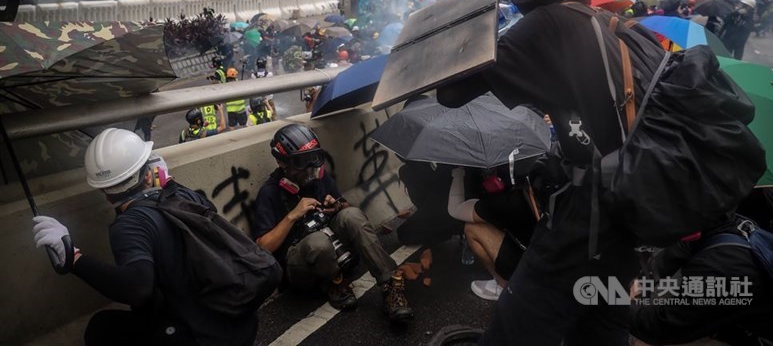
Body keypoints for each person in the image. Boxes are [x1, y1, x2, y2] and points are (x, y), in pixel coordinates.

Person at [436, 0, 666, 344]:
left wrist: (466, 18)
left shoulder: (545, 28)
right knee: (600, 328)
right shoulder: (599, 22)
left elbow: (450, 92)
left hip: (583, 219)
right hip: (622, 217)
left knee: (517, 330)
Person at [31, 128, 259, 345]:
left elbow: (138, 289)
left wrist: (74, 259)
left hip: (201, 339)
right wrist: (169, 183)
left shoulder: (130, 225)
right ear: (150, 175)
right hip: (240, 326)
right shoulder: (181, 196)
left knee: (100, 328)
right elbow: (208, 207)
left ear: (104, 192)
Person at [252, 124, 414, 322]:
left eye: (312, 159)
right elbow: (263, 247)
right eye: (301, 163)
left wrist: (337, 206)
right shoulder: (269, 193)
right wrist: (292, 215)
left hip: (332, 249)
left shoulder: (318, 178)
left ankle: (390, 286)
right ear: (282, 162)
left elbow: (346, 207)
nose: (309, 168)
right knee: (317, 242)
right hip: (300, 266)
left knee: (352, 215)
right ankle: (334, 283)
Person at [630, 215, 773, 345]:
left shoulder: (719, 268)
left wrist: (615, 303)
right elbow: (690, 239)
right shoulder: (723, 216)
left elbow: (659, 327)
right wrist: (647, 279)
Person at [448, 166, 537, 302]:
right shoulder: (556, 191)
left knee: (472, 228)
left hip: (535, 272)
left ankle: (505, 286)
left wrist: (458, 173)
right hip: (564, 270)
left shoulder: (507, 201)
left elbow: (454, 210)